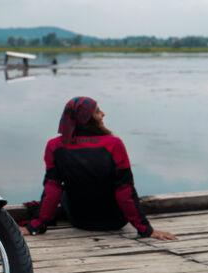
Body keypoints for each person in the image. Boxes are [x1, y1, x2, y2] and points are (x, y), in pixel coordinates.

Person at [20, 97, 176, 240]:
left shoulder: (55, 146)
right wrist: (145, 229)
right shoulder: (113, 144)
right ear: (86, 119)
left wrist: (35, 226)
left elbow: (52, 190)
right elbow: (125, 191)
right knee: (121, 186)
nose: (103, 114)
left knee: (60, 187)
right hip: (115, 221)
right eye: (97, 111)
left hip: (79, 220)